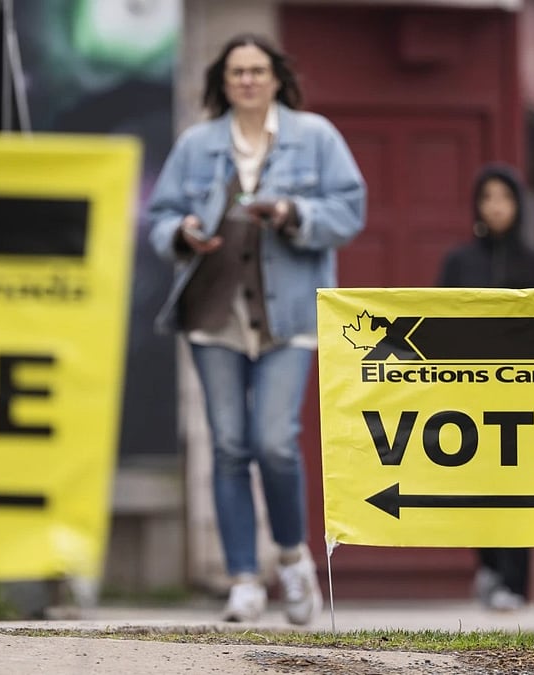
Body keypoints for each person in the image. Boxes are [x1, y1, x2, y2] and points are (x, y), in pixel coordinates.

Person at [145, 33, 366, 624]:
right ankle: (243, 578)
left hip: (288, 315)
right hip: (213, 316)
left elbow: (351, 209)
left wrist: (295, 213)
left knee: (273, 440)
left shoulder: (314, 137)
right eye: (236, 71)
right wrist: (181, 233)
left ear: (275, 78)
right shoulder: (197, 145)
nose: (246, 80)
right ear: (222, 81)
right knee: (227, 446)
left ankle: (292, 561)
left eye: (256, 70)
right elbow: (159, 217)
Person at [437, 164, 534, 611]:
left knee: (519, 488)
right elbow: (437, 320)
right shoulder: (459, 262)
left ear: (518, 205)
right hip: (469, 393)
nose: (495, 206)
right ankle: (488, 565)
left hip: (521, 396)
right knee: (476, 483)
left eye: (504, 197)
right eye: (487, 197)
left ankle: (515, 580)